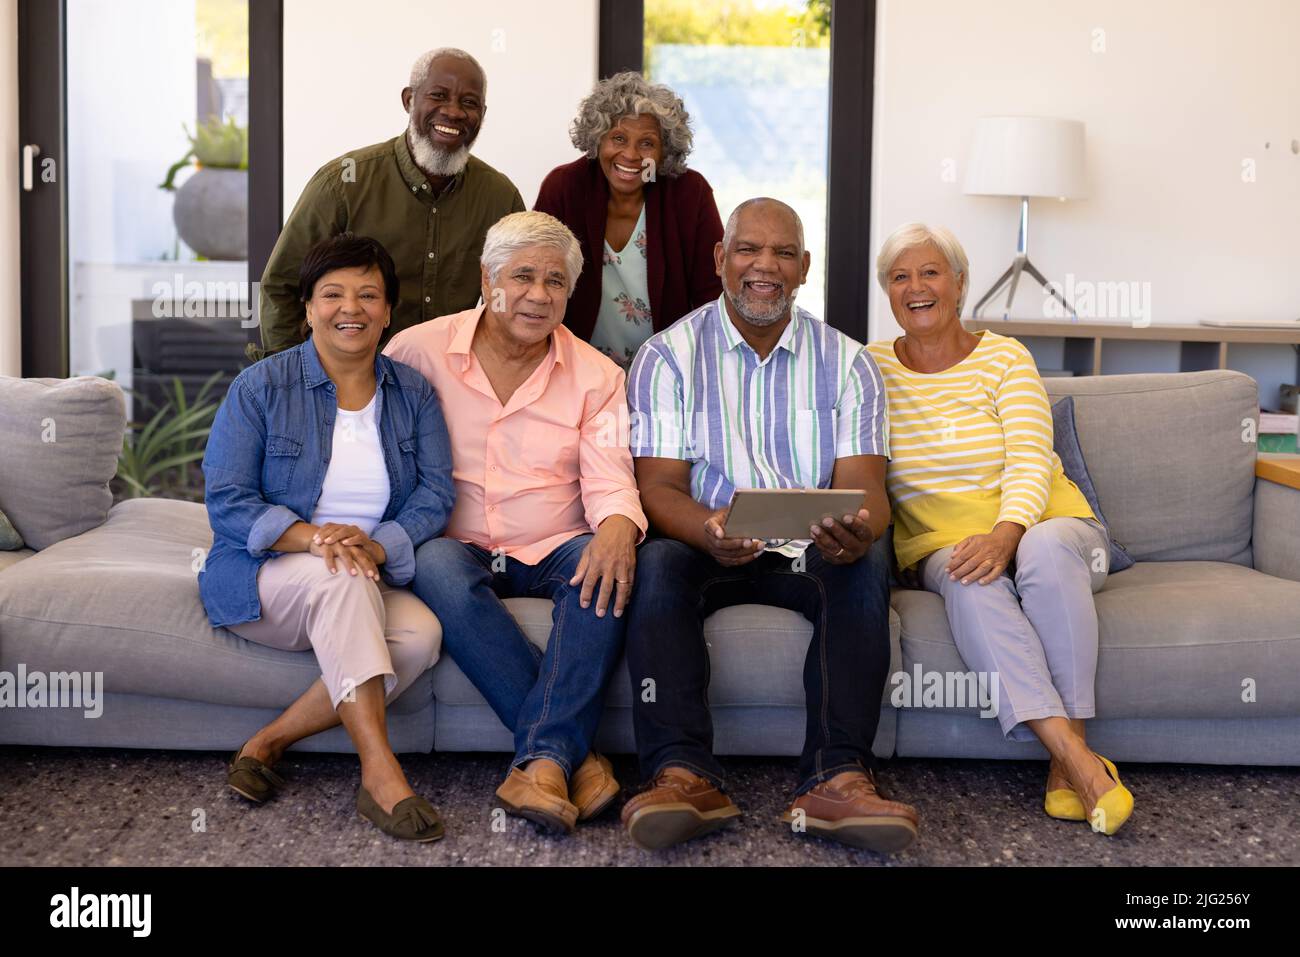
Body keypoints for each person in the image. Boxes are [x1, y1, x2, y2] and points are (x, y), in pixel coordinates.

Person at [620, 197, 919, 853]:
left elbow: (867, 488)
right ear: (721, 259)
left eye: (783, 252)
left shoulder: (848, 363)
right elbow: (657, 488)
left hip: (811, 548)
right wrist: (706, 528)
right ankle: (682, 774)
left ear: (804, 267)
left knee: (866, 559)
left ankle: (837, 776)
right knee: (658, 562)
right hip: (705, 540)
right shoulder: (666, 357)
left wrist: (859, 526)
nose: (766, 266)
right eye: (749, 250)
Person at [866, 222, 1135, 836]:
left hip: (1047, 522)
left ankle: (1075, 757)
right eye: (899, 277)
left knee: (1041, 546)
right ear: (888, 292)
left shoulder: (1005, 356)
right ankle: (1077, 763)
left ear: (959, 284)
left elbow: (1030, 458)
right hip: (940, 542)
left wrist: (1008, 531)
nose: (916, 287)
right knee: (968, 577)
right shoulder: (872, 368)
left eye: (930, 272)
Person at [385, 211, 646, 835]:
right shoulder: (417, 352)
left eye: (555, 282)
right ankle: (569, 760)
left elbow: (610, 475)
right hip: (459, 540)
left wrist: (617, 527)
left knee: (604, 571)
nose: (537, 294)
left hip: (555, 539)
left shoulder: (598, 376)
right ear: (486, 277)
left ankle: (541, 763)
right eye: (522, 276)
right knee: (435, 562)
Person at [200, 233, 456, 843]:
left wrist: (375, 544)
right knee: (341, 581)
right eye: (333, 293)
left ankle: (268, 741)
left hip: (366, 569)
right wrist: (317, 540)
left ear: (389, 310)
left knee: (420, 636)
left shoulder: (413, 393)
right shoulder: (261, 387)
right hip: (268, 574)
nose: (352, 308)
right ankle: (380, 774)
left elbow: (435, 495)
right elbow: (228, 501)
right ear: (309, 306)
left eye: (369, 294)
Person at [253, 47, 525, 359]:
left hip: (451, 388)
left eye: (469, 102)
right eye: (438, 95)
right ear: (409, 100)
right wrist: (294, 381)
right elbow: (282, 287)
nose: (453, 112)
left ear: (482, 115)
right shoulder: (343, 183)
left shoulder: (500, 197)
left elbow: (516, 295)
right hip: (350, 383)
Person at [534, 71, 723, 368]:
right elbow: (538, 276)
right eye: (618, 138)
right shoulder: (565, 187)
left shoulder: (690, 193)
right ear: (598, 140)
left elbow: (712, 295)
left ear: (664, 152)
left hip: (668, 368)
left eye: (646, 143)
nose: (631, 155)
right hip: (576, 369)